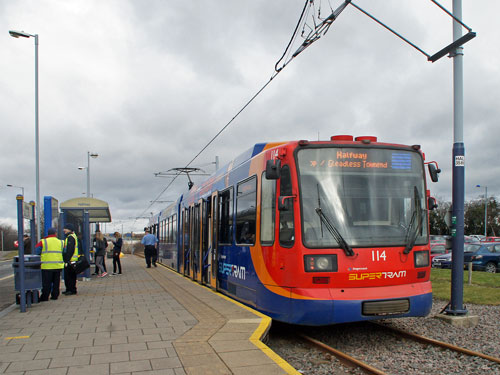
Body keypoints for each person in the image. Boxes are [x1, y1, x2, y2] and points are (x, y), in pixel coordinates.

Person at [34, 227, 64, 301]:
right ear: (55, 233)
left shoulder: (43, 241)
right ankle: (55, 295)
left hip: (46, 266)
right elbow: (64, 252)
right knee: (56, 282)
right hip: (58, 265)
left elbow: (37, 251)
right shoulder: (61, 242)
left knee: (46, 283)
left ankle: (45, 297)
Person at [62, 223, 79, 295]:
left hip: (70, 260)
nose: (64, 230)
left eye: (65, 228)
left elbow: (70, 249)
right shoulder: (73, 236)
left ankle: (70, 289)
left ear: (69, 229)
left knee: (69, 276)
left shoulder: (70, 238)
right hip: (73, 260)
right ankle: (71, 289)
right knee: (72, 276)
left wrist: (66, 259)